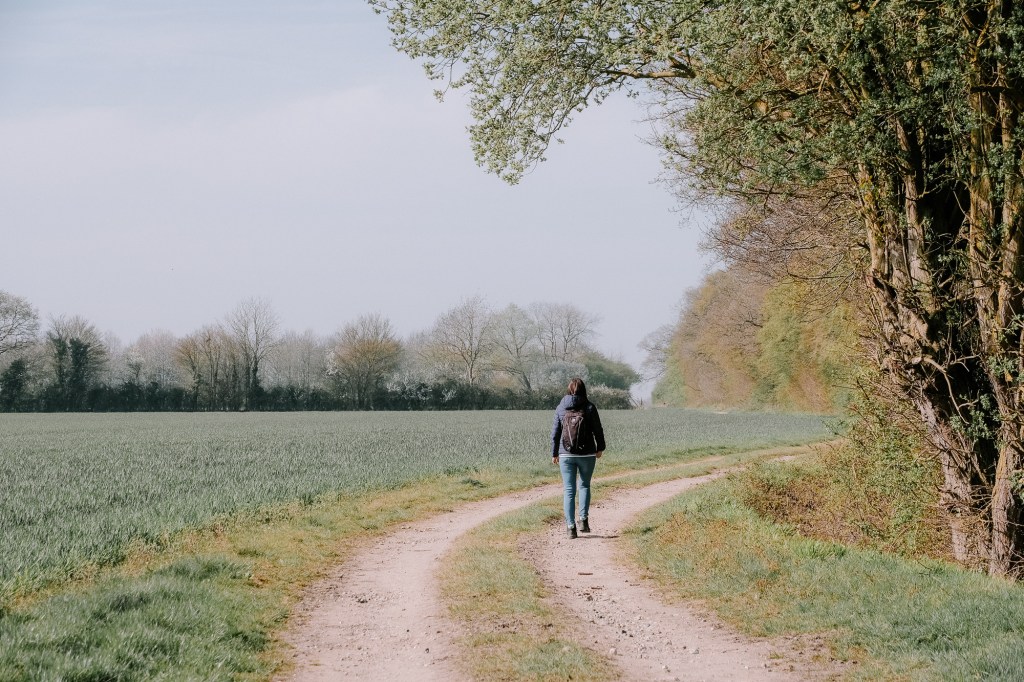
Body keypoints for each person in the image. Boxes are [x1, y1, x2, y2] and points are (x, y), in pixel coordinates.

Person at [551, 377, 605, 539]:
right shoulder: (589, 407)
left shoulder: (561, 407)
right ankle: (583, 520)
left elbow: (555, 433)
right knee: (584, 486)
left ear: (568, 390)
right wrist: (600, 448)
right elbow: (598, 429)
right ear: (584, 390)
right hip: (587, 454)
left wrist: (554, 453)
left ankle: (570, 527)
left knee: (569, 490)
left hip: (566, 454)